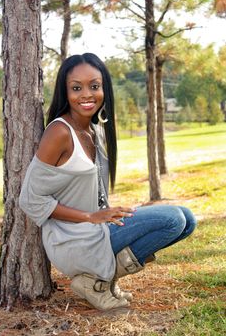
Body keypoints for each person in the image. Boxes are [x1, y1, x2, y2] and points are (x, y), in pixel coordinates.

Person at [19, 53, 197, 311]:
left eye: (94, 86)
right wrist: (91, 216)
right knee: (173, 220)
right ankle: (97, 281)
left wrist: (104, 213)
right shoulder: (59, 132)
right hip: (74, 240)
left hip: (96, 231)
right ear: (65, 92)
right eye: (76, 88)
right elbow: (30, 199)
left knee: (187, 220)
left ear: (104, 88)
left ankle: (98, 281)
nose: (86, 94)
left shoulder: (94, 129)